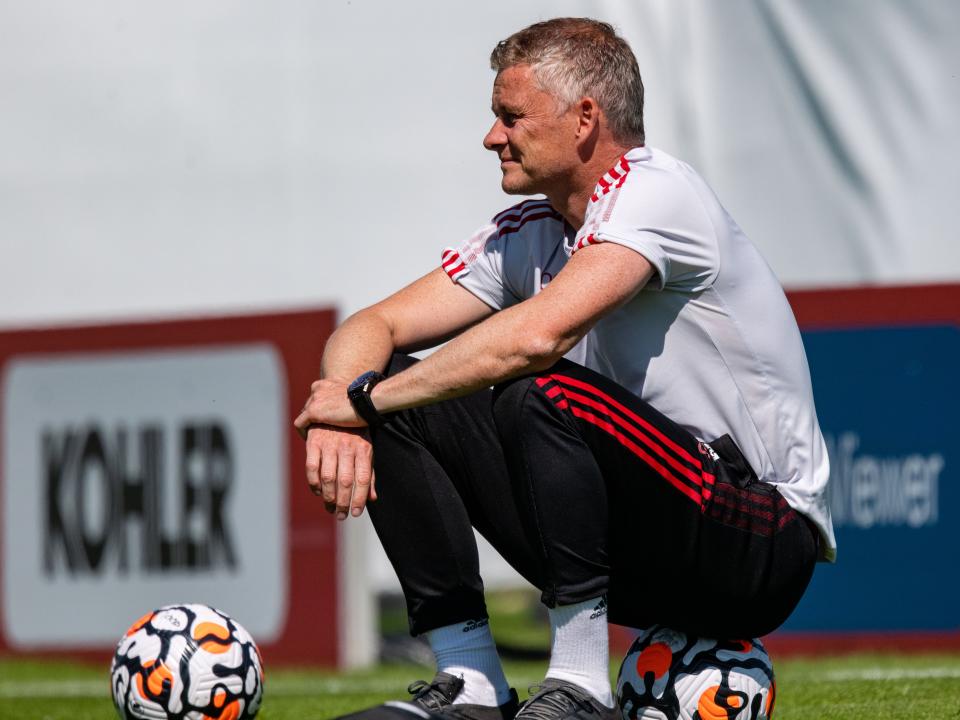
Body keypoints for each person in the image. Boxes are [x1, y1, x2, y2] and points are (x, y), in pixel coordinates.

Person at [295, 17, 835, 720]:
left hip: (756, 542)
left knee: (536, 389)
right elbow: (372, 326)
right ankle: (472, 683)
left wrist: (361, 404)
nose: (492, 137)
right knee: (400, 384)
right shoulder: (530, 229)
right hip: (642, 547)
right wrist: (349, 404)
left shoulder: (657, 192)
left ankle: (579, 683)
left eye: (510, 116)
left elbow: (535, 337)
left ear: (585, 118)